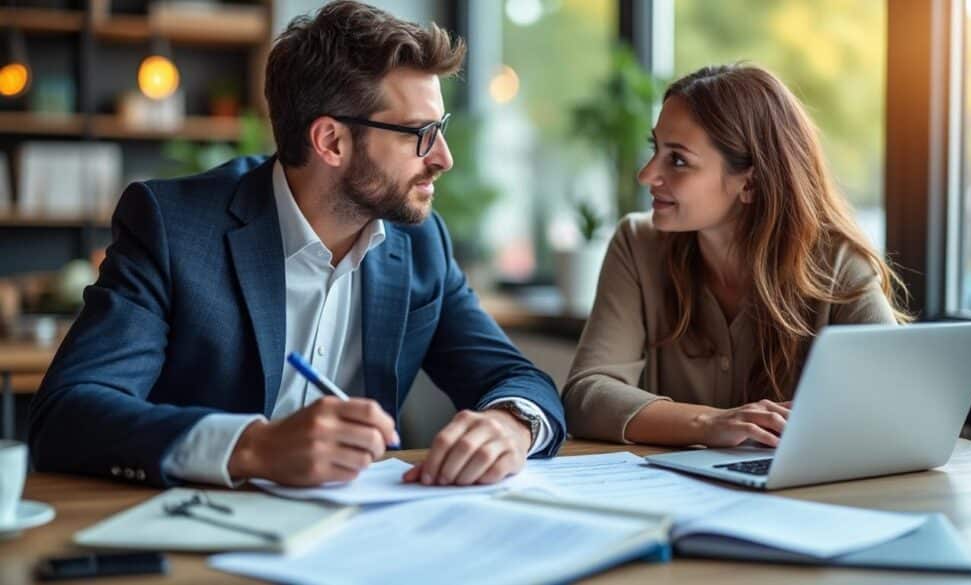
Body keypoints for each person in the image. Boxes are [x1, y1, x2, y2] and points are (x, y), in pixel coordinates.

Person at [29, 0, 565, 488]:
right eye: (419, 134)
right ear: (331, 140)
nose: (444, 156)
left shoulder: (420, 243)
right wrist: (254, 446)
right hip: (199, 533)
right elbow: (68, 413)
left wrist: (510, 423)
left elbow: (514, 377)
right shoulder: (175, 228)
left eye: (440, 128)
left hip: (365, 536)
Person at [562, 64, 909, 448]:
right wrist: (710, 423)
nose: (646, 175)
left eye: (677, 160)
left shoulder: (838, 262)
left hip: (800, 498)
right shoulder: (637, 244)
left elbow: (895, 406)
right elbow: (586, 395)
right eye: (655, 150)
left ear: (751, 182)